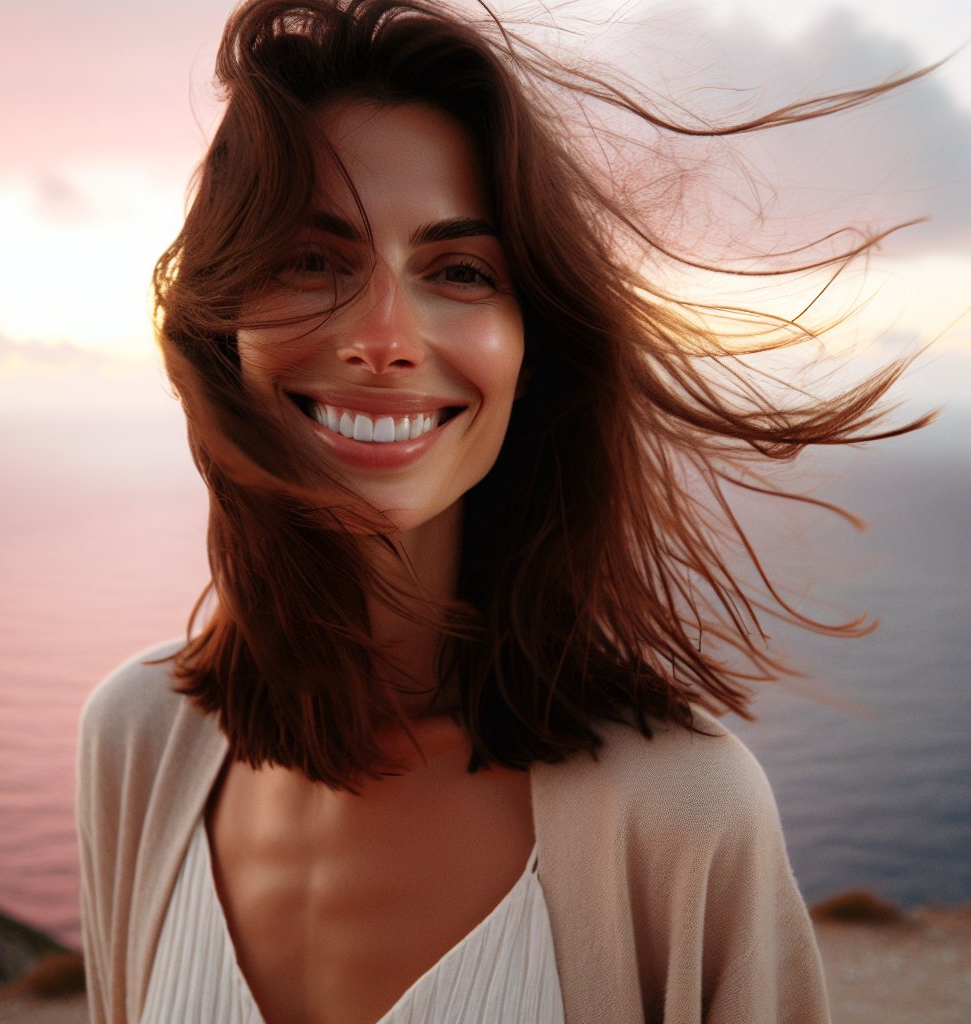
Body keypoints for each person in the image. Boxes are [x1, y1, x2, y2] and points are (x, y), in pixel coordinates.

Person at [77, 1, 931, 1021]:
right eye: (312, 259)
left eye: (460, 271)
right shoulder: (135, 743)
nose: (384, 336)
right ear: (225, 332)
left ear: (532, 359)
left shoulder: (683, 811)